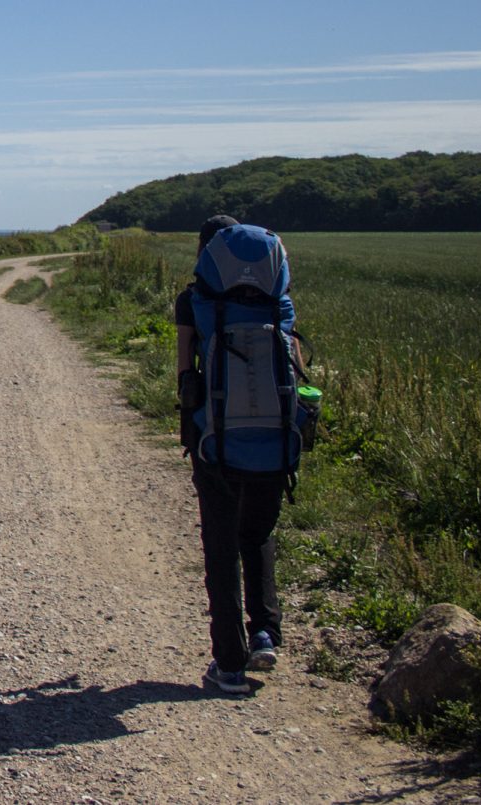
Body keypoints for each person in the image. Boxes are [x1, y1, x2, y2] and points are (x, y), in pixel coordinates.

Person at [176, 214, 302, 696]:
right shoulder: (278, 303)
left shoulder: (193, 301)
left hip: (218, 441)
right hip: (275, 438)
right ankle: (266, 633)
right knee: (259, 533)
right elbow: (294, 368)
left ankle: (228, 663)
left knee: (221, 546)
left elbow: (186, 375)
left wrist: (195, 429)